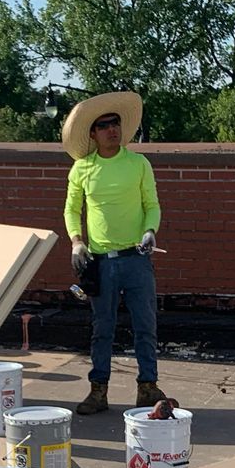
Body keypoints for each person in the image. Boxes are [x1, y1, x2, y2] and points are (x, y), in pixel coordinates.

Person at [62, 90, 164, 415]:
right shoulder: (82, 168)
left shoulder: (138, 163)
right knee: (102, 328)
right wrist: (77, 241)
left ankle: (148, 387)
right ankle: (98, 390)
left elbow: (152, 205)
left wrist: (150, 231)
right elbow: (71, 208)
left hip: (136, 258)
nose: (111, 130)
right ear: (92, 133)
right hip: (100, 262)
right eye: (104, 125)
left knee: (145, 325)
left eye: (115, 123)